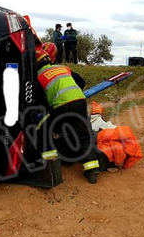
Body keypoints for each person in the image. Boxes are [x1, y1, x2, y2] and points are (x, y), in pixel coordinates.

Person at [36, 42, 100, 183]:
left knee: (44, 129)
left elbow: (40, 101)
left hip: (61, 107)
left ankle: (51, 168)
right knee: (84, 135)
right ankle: (92, 171)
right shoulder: (63, 68)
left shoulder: (39, 76)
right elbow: (80, 82)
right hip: (80, 101)